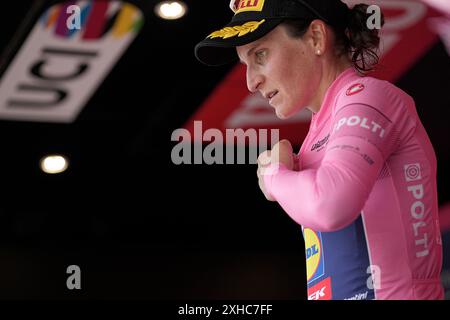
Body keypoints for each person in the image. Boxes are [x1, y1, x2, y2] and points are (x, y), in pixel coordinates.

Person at [195, 0, 444, 300]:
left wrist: (272, 176)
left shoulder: (368, 98)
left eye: (260, 55)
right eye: (245, 65)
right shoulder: (321, 129)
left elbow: (329, 205)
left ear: (315, 38)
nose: (250, 82)